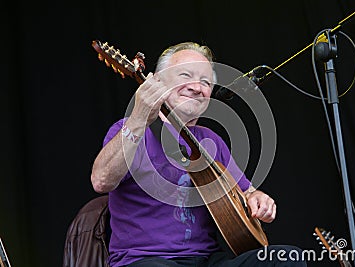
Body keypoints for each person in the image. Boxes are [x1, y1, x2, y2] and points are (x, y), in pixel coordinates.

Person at [91, 42, 307, 267]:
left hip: (207, 260)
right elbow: (101, 181)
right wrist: (139, 118)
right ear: (156, 81)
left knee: (287, 259)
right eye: (186, 75)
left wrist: (257, 198)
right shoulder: (128, 129)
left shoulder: (211, 140)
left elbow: (247, 191)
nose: (197, 87)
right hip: (147, 259)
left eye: (206, 82)